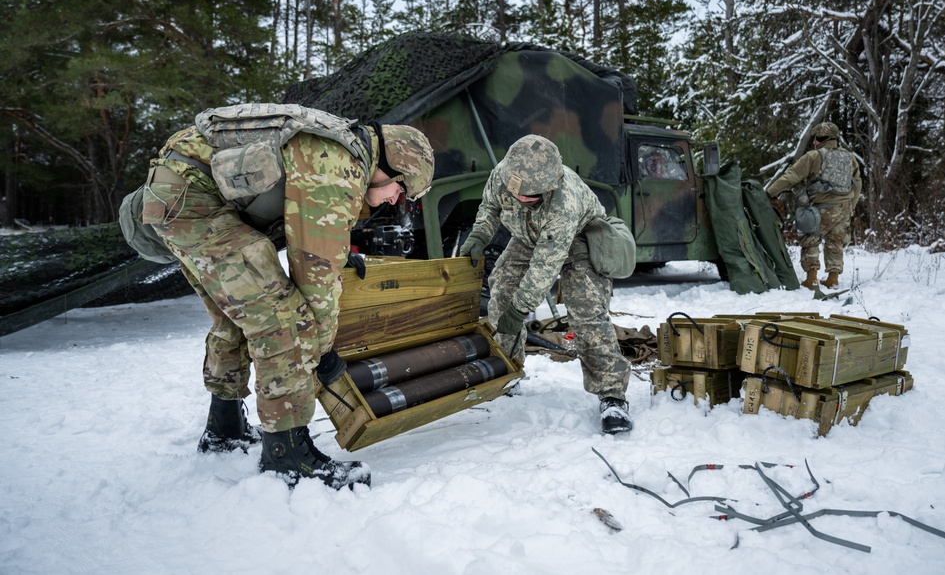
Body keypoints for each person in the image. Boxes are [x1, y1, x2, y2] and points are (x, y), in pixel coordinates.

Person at [140, 104, 434, 489]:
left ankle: (223, 428)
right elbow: (316, 279)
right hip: (191, 203)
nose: (397, 202)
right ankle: (288, 457)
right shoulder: (338, 164)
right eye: (403, 191)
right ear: (394, 166)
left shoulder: (339, 146)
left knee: (240, 316)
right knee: (282, 320)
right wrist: (324, 353)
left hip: (178, 195)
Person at [459, 135, 633, 434]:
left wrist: (521, 308)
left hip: (580, 241)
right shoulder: (504, 174)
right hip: (529, 238)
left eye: (531, 196)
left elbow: (545, 266)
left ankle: (612, 395)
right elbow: (490, 207)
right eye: (518, 193)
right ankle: (508, 371)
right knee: (501, 290)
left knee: (587, 314)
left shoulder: (564, 200)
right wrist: (478, 237)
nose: (521, 199)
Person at [766, 122, 861, 290]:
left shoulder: (814, 156)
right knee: (836, 242)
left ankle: (812, 278)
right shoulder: (850, 157)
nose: (814, 142)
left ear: (818, 139)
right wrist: (850, 206)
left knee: (810, 240)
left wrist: (769, 193)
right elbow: (857, 183)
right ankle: (833, 278)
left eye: (815, 139)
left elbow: (791, 176)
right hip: (844, 207)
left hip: (822, 208)